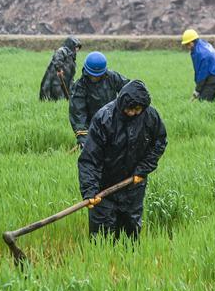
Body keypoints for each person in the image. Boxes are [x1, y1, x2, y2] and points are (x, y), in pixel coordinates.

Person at [77, 80, 168, 240]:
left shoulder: (150, 116)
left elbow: (159, 142)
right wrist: (90, 190)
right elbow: (90, 159)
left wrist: (143, 169)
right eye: (130, 109)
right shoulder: (104, 119)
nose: (133, 113)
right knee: (101, 237)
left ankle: (129, 256)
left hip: (133, 185)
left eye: (137, 110)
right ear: (122, 103)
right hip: (104, 188)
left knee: (130, 234)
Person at [69, 51, 129, 144]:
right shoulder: (80, 86)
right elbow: (78, 113)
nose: (95, 78)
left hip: (113, 119)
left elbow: (128, 89)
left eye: (98, 76)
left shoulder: (112, 77)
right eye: (92, 75)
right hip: (93, 125)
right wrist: (83, 137)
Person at [181, 29, 215, 101]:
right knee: (206, 98)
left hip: (213, 79)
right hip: (212, 76)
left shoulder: (201, 54)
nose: (187, 47)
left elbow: (202, 74)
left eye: (187, 44)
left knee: (202, 101)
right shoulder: (203, 44)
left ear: (192, 43)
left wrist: (197, 90)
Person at [39, 36, 81, 101]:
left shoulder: (72, 57)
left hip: (65, 79)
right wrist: (59, 69)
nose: (77, 49)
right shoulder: (62, 51)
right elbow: (57, 59)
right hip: (57, 79)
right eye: (76, 47)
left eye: (78, 47)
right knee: (57, 93)